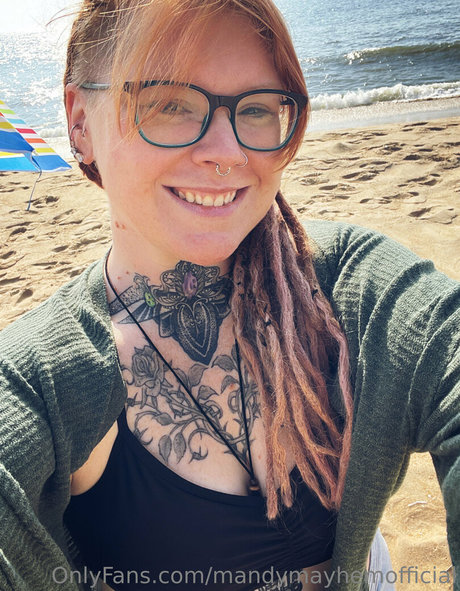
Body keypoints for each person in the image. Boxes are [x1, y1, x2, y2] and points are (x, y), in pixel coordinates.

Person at [0, 1, 458, 590]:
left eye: (258, 108)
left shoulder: (343, 283)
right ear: (81, 122)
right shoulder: (40, 382)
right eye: (168, 103)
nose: (228, 152)